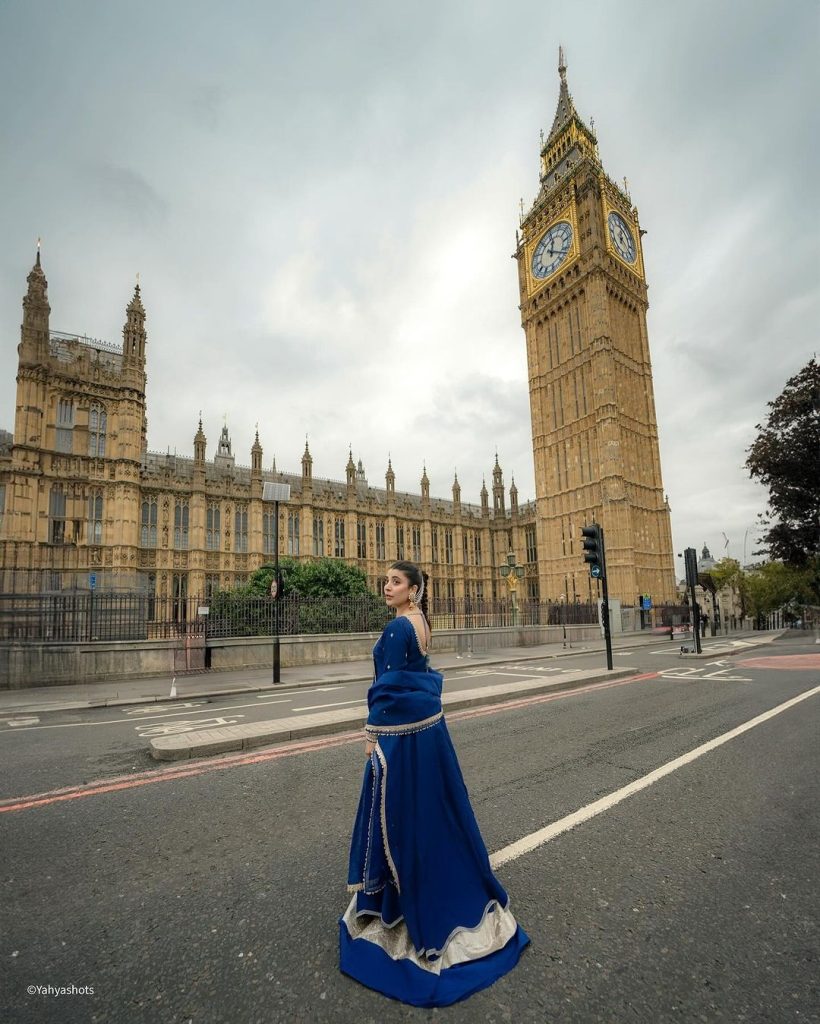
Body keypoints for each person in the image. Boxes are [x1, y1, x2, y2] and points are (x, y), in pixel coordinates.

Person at [339, 561, 530, 1007]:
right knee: (433, 812)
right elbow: (418, 679)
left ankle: (401, 903)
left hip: (399, 741)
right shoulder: (422, 623)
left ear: (415, 589)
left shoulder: (396, 630)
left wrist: (372, 734)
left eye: (396, 581)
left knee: (397, 816)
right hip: (428, 735)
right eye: (385, 580)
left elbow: (386, 687)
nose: (387, 586)